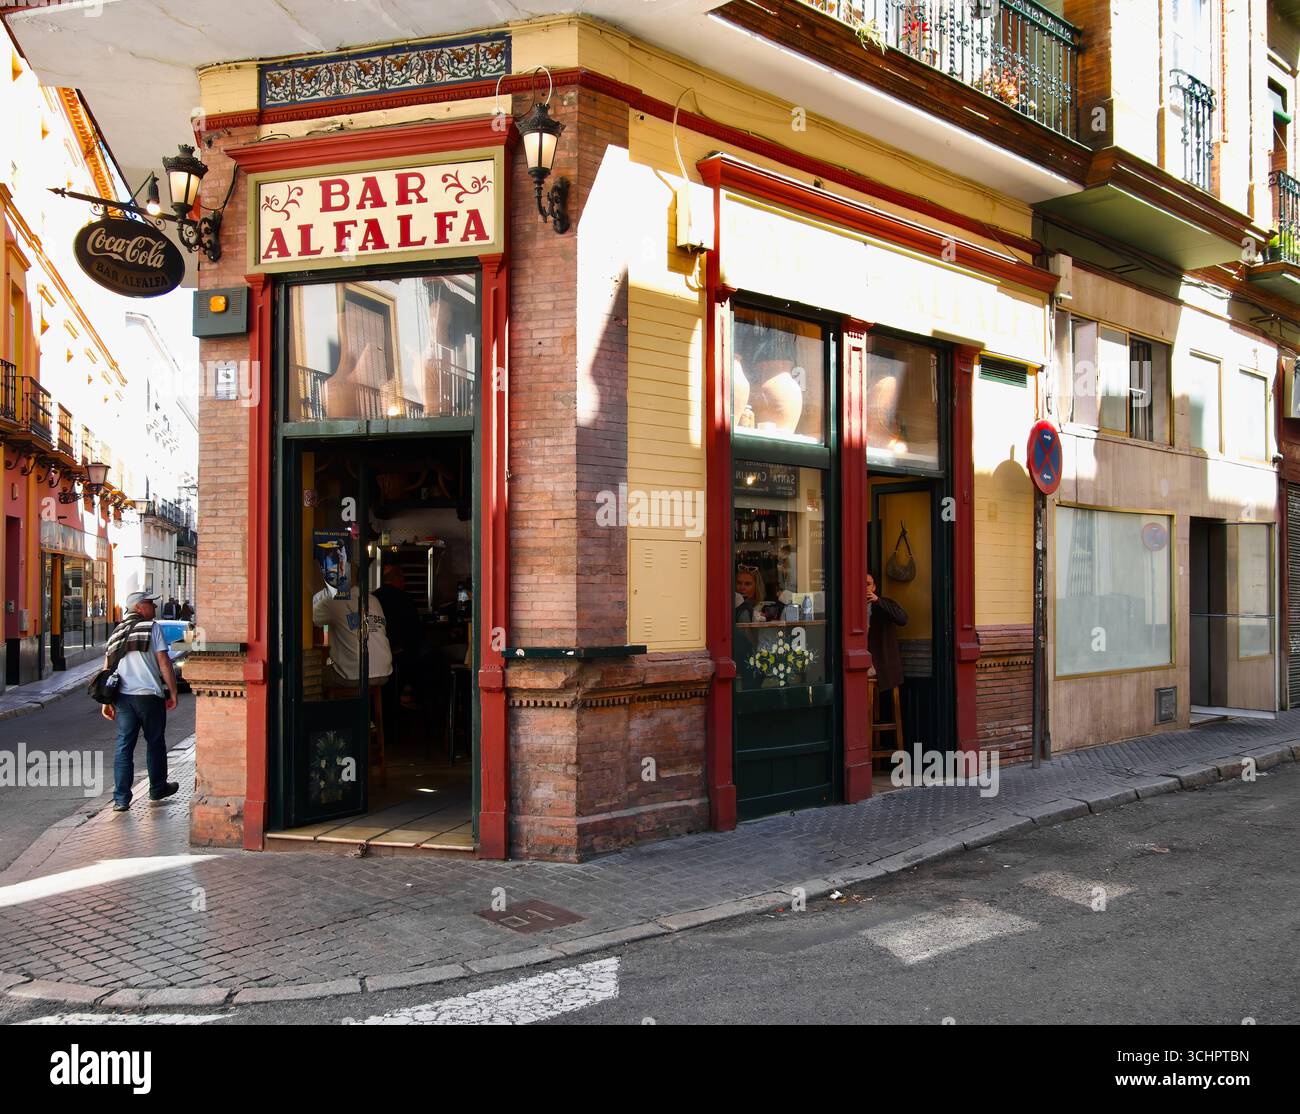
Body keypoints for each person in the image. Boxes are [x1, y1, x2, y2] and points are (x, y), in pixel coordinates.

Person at [102, 590, 180, 812]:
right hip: (148, 697)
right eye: (150, 604)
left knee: (123, 746)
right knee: (155, 742)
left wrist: (106, 701)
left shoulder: (116, 631)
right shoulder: (152, 628)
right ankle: (157, 788)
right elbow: (164, 661)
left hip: (123, 699)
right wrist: (172, 692)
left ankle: (121, 799)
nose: (154, 608)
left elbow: (107, 668)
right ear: (138, 607)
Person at [373, 561, 421, 719]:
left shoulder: (374, 598)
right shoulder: (405, 598)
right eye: (403, 580)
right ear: (398, 580)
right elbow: (414, 630)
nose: (405, 583)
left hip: (377, 654)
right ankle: (410, 695)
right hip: (400, 653)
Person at [865, 570, 908, 694]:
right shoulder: (853, 606)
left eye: (867, 584)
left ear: (874, 587)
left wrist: (878, 601)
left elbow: (903, 619)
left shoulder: (883, 604)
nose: (864, 588)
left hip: (882, 663)